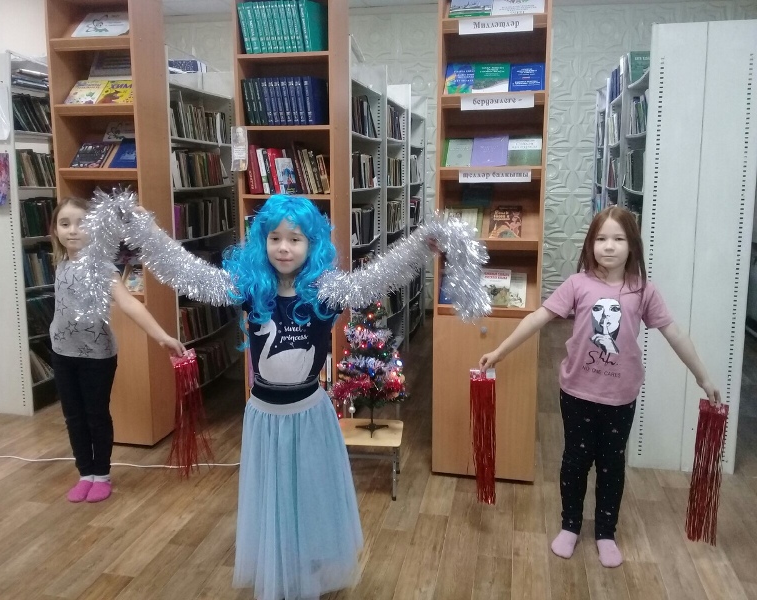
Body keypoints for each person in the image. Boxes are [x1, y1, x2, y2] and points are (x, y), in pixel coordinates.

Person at [77, 192, 486, 600]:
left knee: (308, 496)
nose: (284, 247)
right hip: (264, 416)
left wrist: (423, 243)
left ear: (312, 244)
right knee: (273, 497)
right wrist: (144, 231)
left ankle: (308, 567)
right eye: (275, 238)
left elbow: (377, 278)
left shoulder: (326, 291)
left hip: (309, 415)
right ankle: (281, 566)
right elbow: (187, 271)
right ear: (262, 241)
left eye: (295, 239)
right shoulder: (250, 289)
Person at [478, 206, 721, 569]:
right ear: (590, 244)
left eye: (618, 239)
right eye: (601, 238)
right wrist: (500, 351)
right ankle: (570, 525)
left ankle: (606, 532)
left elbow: (674, 333)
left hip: (620, 398)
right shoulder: (577, 284)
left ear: (632, 245)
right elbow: (538, 318)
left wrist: (703, 377)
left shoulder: (643, 291)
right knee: (575, 462)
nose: (609, 246)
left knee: (611, 465)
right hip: (576, 393)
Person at [49, 197, 185, 503]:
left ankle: (101, 475)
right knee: (73, 417)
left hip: (96, 357)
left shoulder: (101, 268)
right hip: (62, 354)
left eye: (81, 223)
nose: (72, 230)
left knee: (96, 415)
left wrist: (162, 336)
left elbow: (128, 304)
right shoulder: (60, 264)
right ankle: (85, 474)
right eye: (64, 224)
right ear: (55, 230)